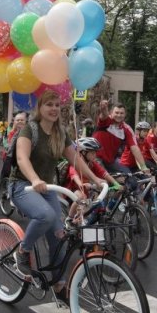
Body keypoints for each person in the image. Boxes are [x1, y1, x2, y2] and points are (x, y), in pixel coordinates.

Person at [10, 90, 105, 301]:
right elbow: (21, 158)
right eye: (49, 105)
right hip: (21, 185)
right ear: (40, 108)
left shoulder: (60, 133)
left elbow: (76, 160)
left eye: (57, 105)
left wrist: (96, 180)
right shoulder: (29, 130)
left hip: (47, 188)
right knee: (46, 216)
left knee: (59, 235)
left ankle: (60, 285)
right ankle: (23, 252)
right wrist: (35, 179)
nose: (54, 109)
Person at [65, 137, 121, 223]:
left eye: (95, 152)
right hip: (74, 190)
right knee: (81, 197)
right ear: (83, 152)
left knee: (102, 186)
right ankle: (69, 218)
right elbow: (74, 176)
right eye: (92, 153)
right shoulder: (75, 164)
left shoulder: (91, 163)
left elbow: (104, 173)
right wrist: (81, 184)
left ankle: (94, 213)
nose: (95, 155)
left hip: (87, 189)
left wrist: (116, 184)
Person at [92, 100, 149, 173]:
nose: (119, 115)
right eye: (116, 112)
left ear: (125, 115)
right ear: (111, 113)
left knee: (128, 175)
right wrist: (103, 108)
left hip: (111, 161)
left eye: (121, 113)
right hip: (96, 157)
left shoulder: (127, 129)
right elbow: (103, 115)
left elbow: (135, 148)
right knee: (104, 180)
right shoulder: (106, 120)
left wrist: (143, 166)